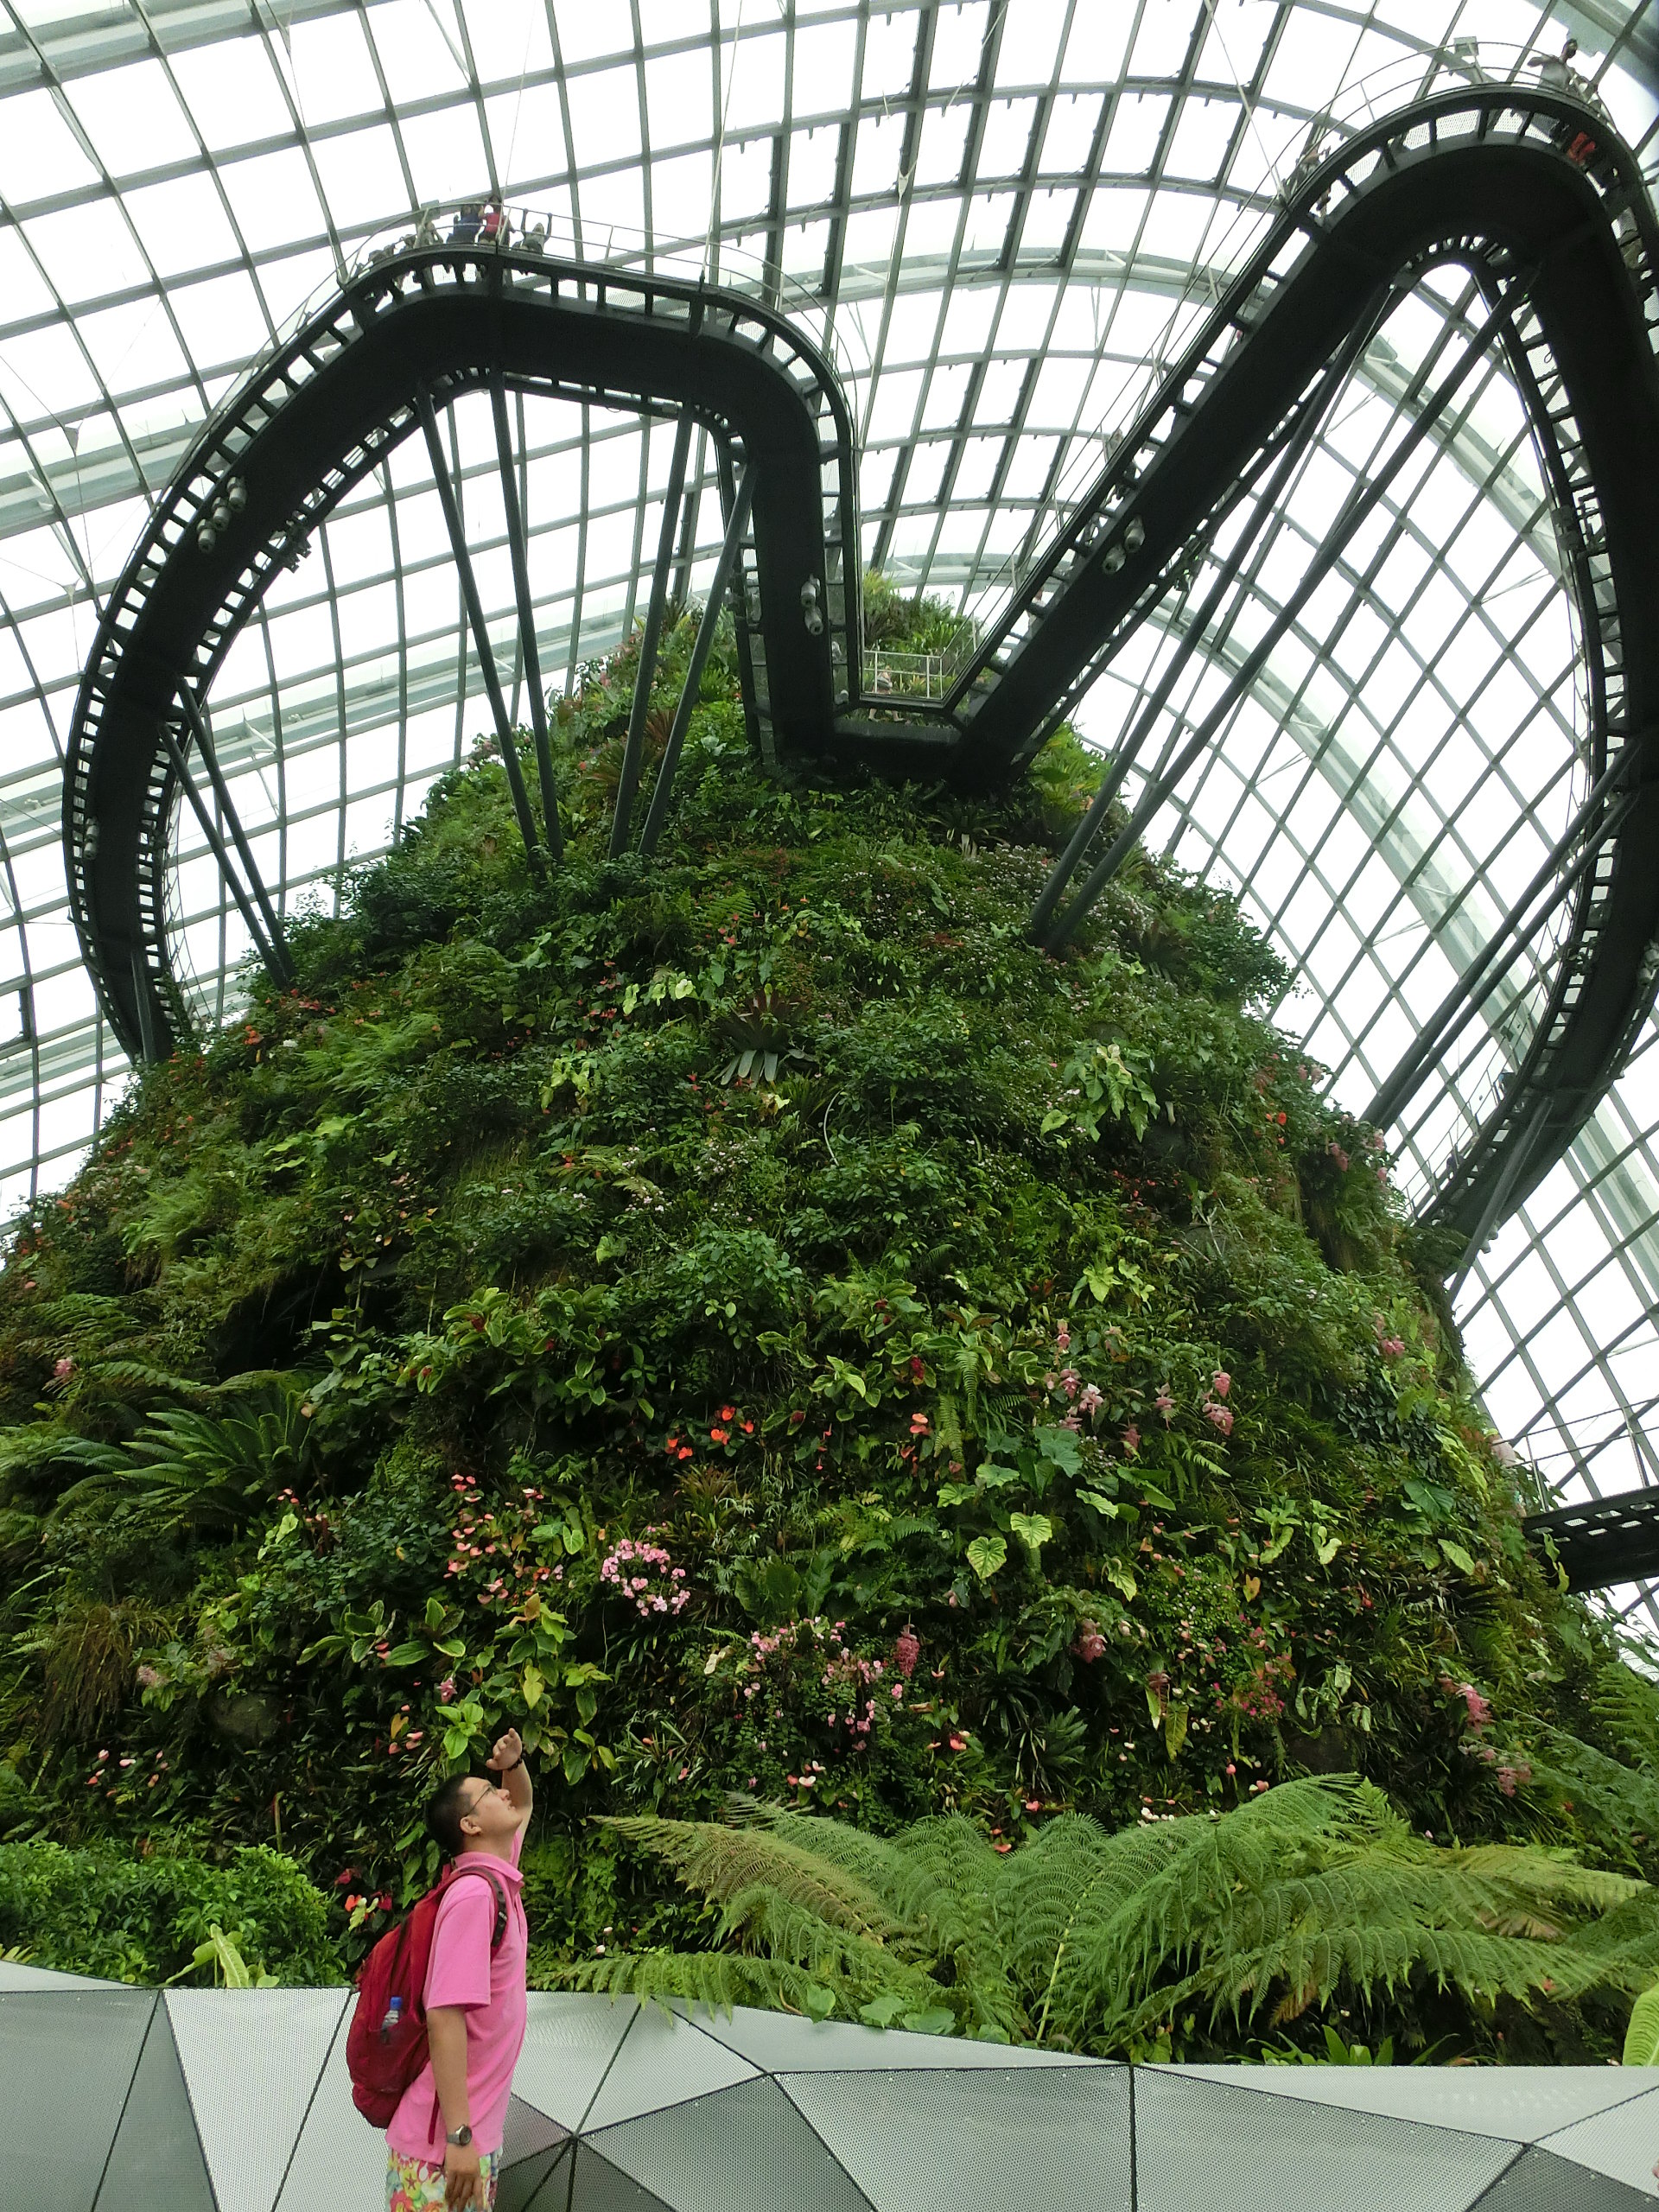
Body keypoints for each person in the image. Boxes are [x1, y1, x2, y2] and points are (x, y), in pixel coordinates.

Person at [385, 1728, 532, 2212]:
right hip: (442, 2150)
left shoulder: (497, 1876)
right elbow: (443, 2015)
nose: (504, 1793)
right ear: (469, 1825)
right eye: (490, 1792)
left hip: (469, 2141)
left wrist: (513, 1764)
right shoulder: (473, 1897)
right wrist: (460, 2136)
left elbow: (523, 1806)